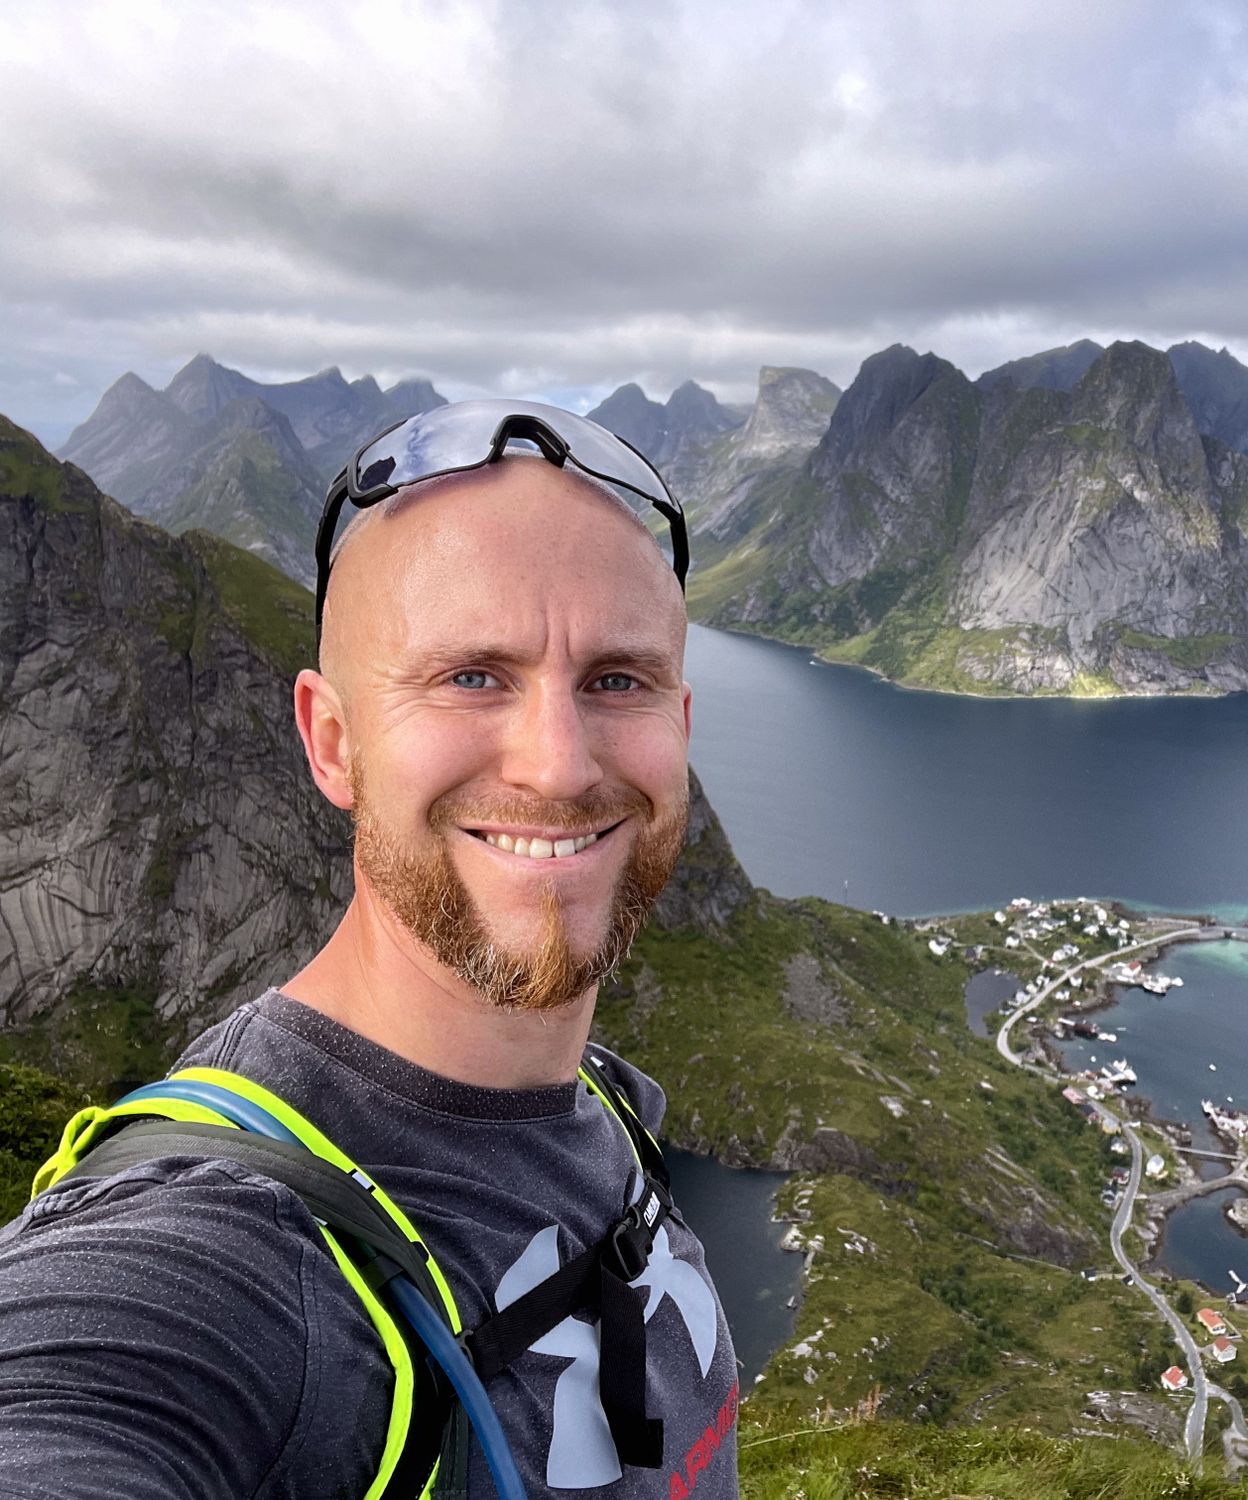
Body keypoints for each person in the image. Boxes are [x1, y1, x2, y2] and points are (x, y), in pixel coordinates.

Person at [0, 402, 738, 1498]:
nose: (557, 765)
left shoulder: (605, 1107)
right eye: (471, 676)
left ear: (679, 722)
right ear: (332, 741)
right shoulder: (223, 1246)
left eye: (616, 679)